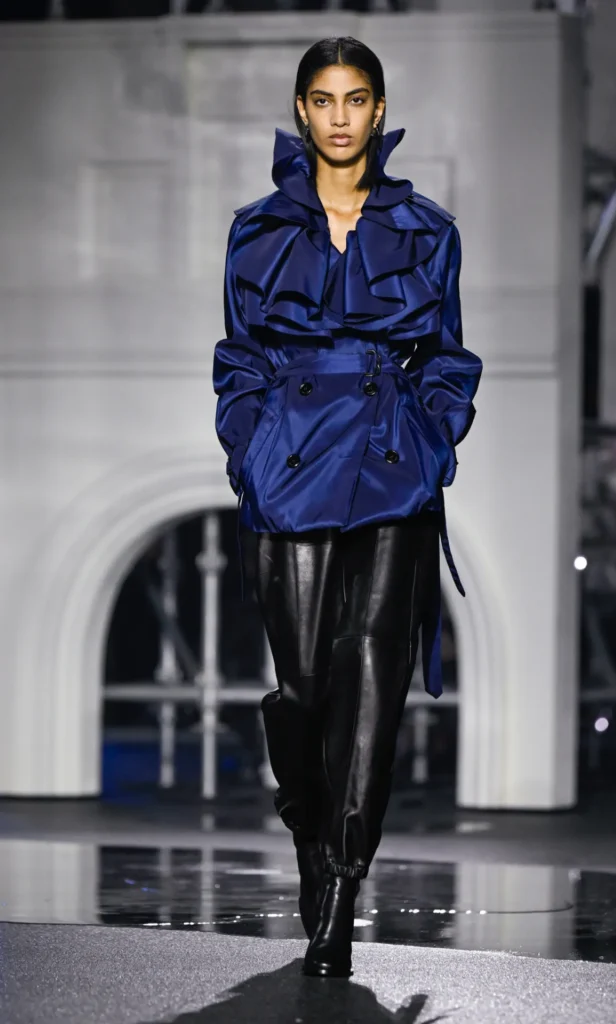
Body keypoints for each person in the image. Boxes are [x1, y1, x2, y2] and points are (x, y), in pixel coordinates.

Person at [213, 36, 482, 978]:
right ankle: (308, 832)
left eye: (355, 99)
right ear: (300, 110)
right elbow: (239, 356)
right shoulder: (256, 230)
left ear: (378, 110)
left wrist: (434, 438)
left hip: (388, 458)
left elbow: (447, 355)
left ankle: (340, 884)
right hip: (288, 461)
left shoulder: (426, 229)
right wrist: (247, 450)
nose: (339, 116)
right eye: (323, 99)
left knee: (372, 679)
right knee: (302, 687)